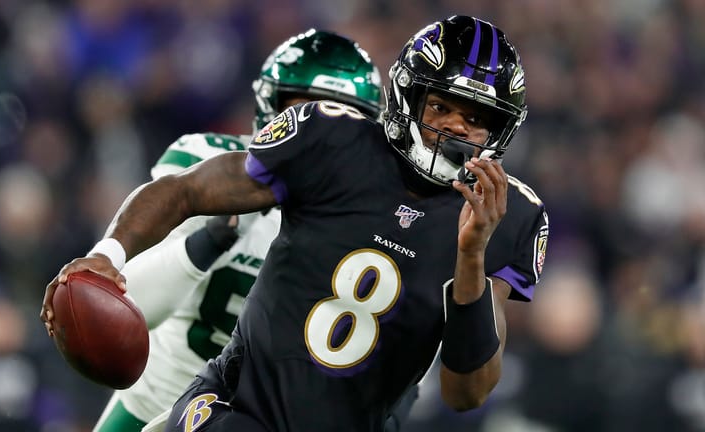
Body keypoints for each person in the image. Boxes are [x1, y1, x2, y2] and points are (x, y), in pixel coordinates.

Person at [42, 15, 549, 432]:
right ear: (408, 98)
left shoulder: (510, 216)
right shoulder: (331, 140)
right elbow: (187, 190)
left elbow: (468, 390)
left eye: (477, 118)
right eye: (442, 107)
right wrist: (107, 255)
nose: (457, 129)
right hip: (234, 407)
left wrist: (471, 255)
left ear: (501, 130)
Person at [87, 30, 417, 432]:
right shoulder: (209, 164)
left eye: (339, 119)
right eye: (304, 110)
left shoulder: (381, 211)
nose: (317, 131)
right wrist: (204, 244)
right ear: (269, 108)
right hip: (159, 394)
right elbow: (129, 299)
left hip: (272, 415)